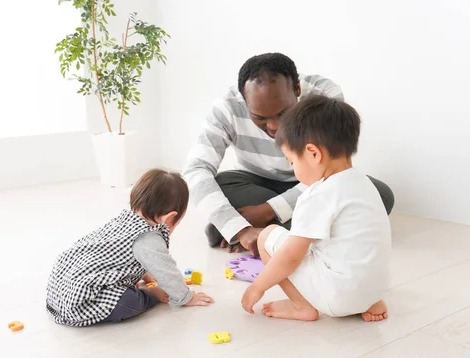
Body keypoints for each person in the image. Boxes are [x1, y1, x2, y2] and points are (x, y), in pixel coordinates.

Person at [183, 53, 394, 256]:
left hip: (316, 182)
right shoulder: (226, 107)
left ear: (297, 89)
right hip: (255, 183)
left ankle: (264, 229)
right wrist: (240, 229)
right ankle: (306, 230)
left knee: (379, 195)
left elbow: (329, 169)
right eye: (260, 117)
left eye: (283, 113)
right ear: (243, 100)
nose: (274, 126)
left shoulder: (324, 98)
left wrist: (266, 211)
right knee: (220, 184)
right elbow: (196, 169)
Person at [241, 94, 390, 322]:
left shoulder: (318, 194)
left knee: (268, 236)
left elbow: (291, 257)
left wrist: (258, 287)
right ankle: (365, 300)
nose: (294, 169)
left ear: (313, 153)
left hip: (336, 297)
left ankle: (301, 306)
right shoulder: (365, 184)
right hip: (373, 291)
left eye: (292, 162)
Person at [46, 169, 214, 327]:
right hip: (82, 304)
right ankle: (151, 295)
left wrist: (145, 274)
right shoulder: (148, 238)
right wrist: (186, 297)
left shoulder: (123, 221)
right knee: (128, 303)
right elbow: (167, 272)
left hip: (60, 290)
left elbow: (120, 257)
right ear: (171, 218)